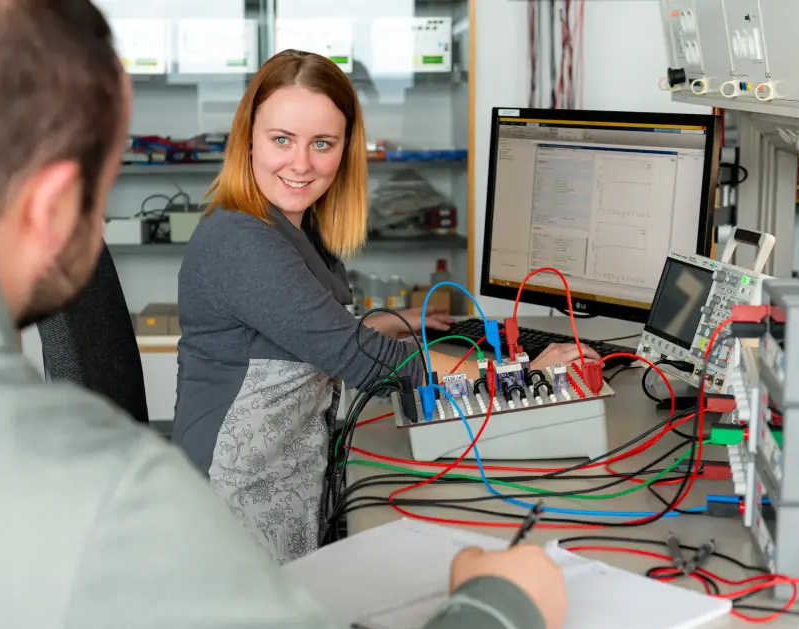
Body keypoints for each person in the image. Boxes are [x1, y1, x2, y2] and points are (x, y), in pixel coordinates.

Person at [0, 2, 570, 629]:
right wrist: (503, 603)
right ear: (52, 209)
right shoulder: (96, 495)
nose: (300, 160)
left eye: (322, 142)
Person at [173, 50, 599, 563]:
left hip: (293, 474)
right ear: (247, 139)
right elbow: (368, 365)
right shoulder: (242, 241)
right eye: (281, 139)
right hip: (235, 509)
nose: (301, 163)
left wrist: (369, 325)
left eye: (322, 144)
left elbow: (294, 327)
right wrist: (523, 372)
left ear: (345, 149)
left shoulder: (288, 221)